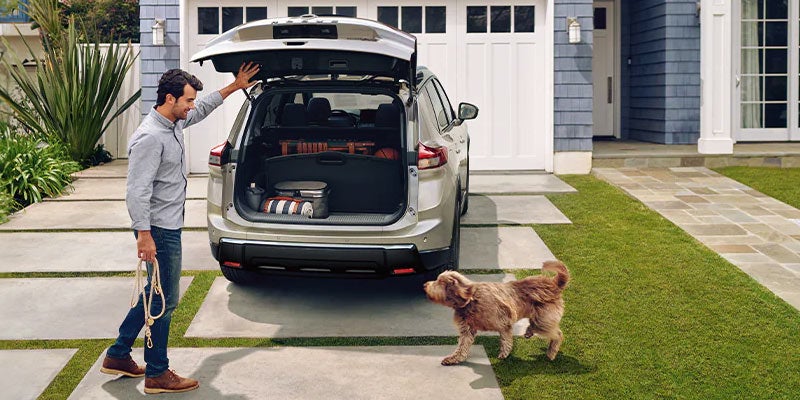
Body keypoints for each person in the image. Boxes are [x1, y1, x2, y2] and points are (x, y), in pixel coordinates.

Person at [100, 63, 260, 394]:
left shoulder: (173, 122)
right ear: (170, 98)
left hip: (165, 226)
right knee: (166, 300)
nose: (191, 107)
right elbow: (137, 191)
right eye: (187, 101)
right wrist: (144, 236)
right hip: (158, 230)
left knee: (154, 294)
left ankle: (117, 354)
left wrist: (235, 85)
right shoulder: (150, 137)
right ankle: (157, 373)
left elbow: (201, 109)